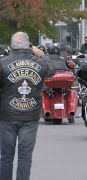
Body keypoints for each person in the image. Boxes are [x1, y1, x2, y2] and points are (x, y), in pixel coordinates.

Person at [0, 32, 55, 180]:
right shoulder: (39, 62)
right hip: (30, 116)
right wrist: (41, 54)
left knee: (6, 157)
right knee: (25, 157)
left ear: (11, 46)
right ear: (29, 46)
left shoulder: (3, 63)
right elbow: (52, 70)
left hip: (7, 116)